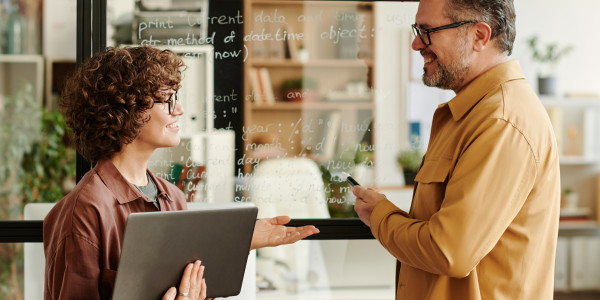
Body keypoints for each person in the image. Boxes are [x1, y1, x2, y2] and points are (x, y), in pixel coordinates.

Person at [43, 46, 320, 300]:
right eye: (168, 100)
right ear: (128, 111)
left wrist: (237, 242)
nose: (180, 109)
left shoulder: (172, 197)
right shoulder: (84, 211)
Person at [352, 0, 560, 299]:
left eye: (427, 31)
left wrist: (380, 216)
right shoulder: (471, 114)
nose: (415, 44)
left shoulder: (500, 121)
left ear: (479, 36)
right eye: (417, 30)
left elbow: (448, 251)